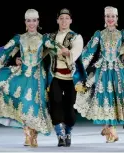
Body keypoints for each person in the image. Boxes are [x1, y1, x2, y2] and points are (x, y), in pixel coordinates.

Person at [74, 6, 124, 143]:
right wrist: (78, 65)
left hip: (117, 70)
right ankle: (109, 128)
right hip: (103, 70)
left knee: (116, 98)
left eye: (113, 17)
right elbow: (89, 50)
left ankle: (110, 129)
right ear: (105, 18)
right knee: (105, 97)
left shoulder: (121, 34)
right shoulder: (99, 34)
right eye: (108, 16)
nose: (110, 19)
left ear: (117, 19)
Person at [0, 9, 59, 147]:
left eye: (34, 20)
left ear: (38, 22)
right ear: (25, 22)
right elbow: (5, 52)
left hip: (38, 77)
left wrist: (66, 51)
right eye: (29, 20)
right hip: (22, 75)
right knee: (24, 104)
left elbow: (56, 50)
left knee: (35, 104)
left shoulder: (44, 39)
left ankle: (34, 134)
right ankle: (27, 134)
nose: (31, 23)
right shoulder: (19, 38)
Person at [45, 8, 87, 147]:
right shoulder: (50, 37)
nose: (64, 21)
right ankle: (59, 134)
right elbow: (41, 53)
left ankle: (68, 132)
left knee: (70, 107)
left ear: (71, 20)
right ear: (57, 20)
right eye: (61, 18)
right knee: (55, 103)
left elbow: (75, 53)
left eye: (66, 18)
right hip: (55, 76)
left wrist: (67, 53)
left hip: (71, 78)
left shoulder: (76, 37)